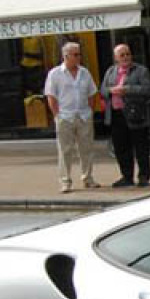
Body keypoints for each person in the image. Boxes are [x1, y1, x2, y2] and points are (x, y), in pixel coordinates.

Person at [43, 41, 99, 193]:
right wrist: (57, 115)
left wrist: (90, 112)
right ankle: (65, 181)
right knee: (64, 150)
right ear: (66, 56)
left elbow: (92, 93)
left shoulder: (84, 72)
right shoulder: (55, 74)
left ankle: (88, 178)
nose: (78, 57)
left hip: (83, 115)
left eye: (79, 54)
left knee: (86, 149)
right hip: (65, 116)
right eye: (75, 54)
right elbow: (51, 96)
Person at [100, 43, 150, 187]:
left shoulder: (140, 71)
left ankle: (143, 176)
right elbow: (102, 90)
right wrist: (110, 91)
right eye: (122, 55)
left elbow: (148, 89)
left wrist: (127, 89)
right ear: (116, 58)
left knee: (141, 147)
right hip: (116, 114)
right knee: (121, 148)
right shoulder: (111, 71)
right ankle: (127, 176)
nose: (125, 57)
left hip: (135, 113)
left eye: (127, 54)